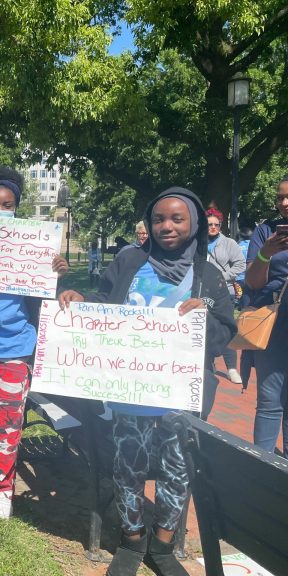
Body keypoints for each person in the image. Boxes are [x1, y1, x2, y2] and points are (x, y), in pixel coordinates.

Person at [59, 186, 236, 576]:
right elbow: (104, 308)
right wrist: (78, 300)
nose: (166, 226)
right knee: (128, 466)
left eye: (177, 219)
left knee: (178, 469)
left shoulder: (207, 276)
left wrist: (203, 317)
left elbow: (226, 334)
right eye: (158, 219)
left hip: (180, 398)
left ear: (193, 224)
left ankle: (163, 545)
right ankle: (132, 540)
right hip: (131, 392)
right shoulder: (128, 263)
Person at [0, 166, 68, 519]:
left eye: (6, 205)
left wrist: (57, 275)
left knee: (10, 421)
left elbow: (49, 298)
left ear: (16, 207)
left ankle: (1, 487)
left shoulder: (34, 248)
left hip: (18, 347)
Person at [244, 176, 288, 458]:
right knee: (270, 399)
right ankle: (262, 467)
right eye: (280, 197)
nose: (284, 203)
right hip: (273, 322)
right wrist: (266, 253)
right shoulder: (265, 232)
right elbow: (253, 282)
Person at [204, 208, 245, 387]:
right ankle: (207, 363)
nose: (213, 227)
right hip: (201, 294)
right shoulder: (197, 243)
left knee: (226, 328)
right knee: (203, 329)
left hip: (223, 292)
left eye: (216, 224)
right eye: (209, 224)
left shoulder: (229, 243)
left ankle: (231, 368)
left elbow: (241, 264)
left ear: (221, 226)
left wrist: (223, 277)